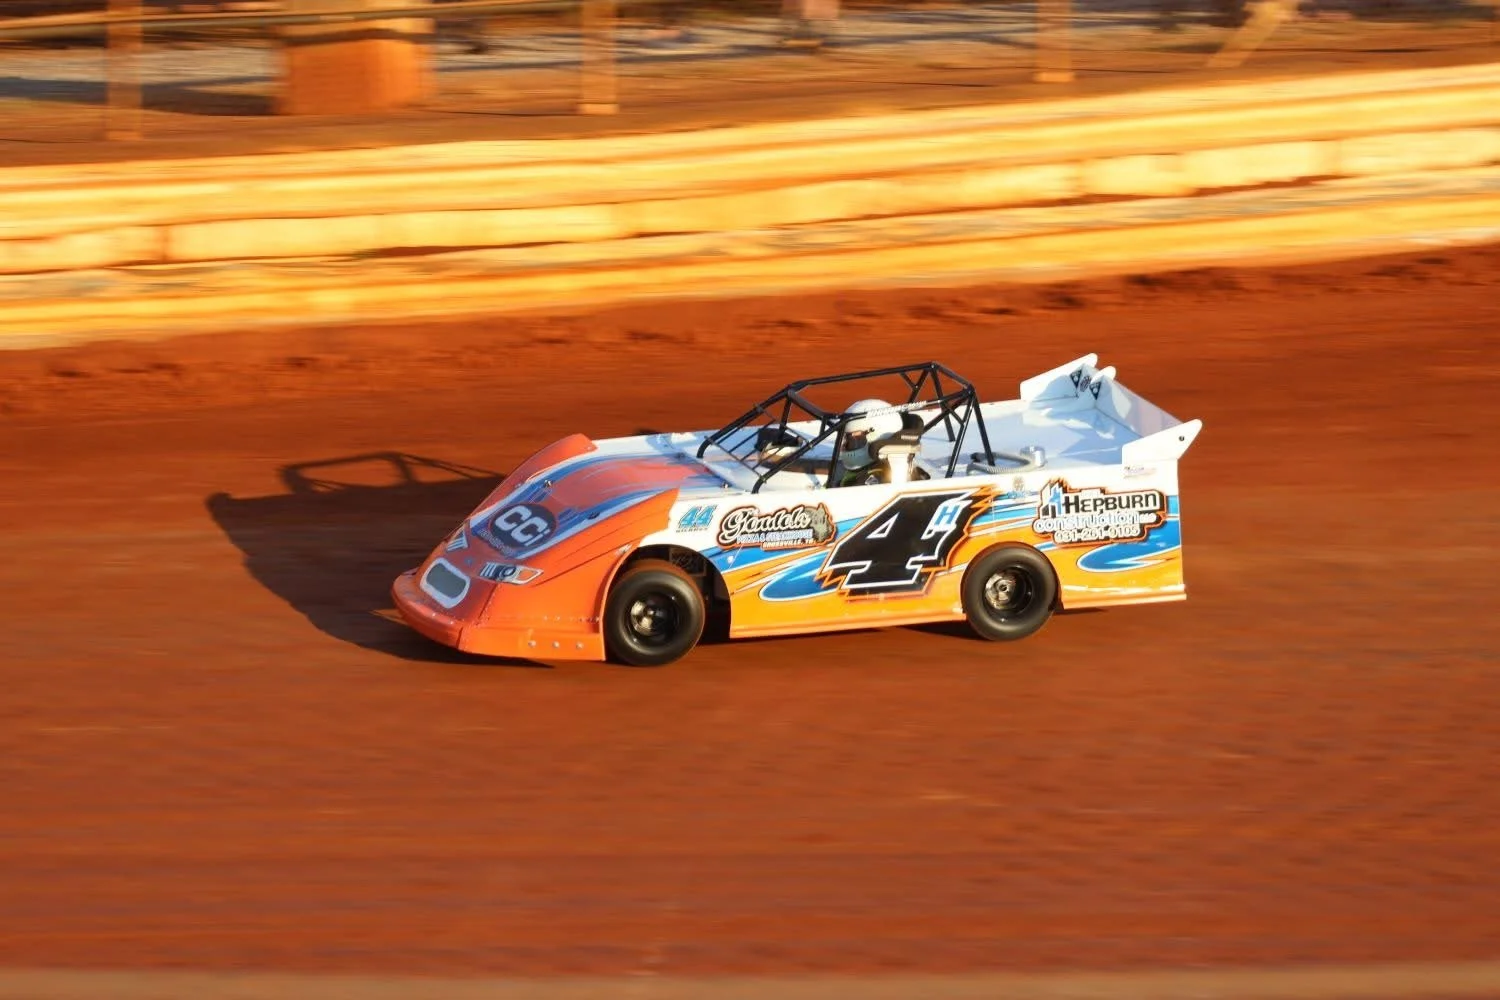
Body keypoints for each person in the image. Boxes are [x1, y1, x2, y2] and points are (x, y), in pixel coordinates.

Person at [835, 398, 906, 486]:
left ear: (876, 438)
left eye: (853, 440)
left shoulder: (872, 483)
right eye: (846, 439)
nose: (845, 445)